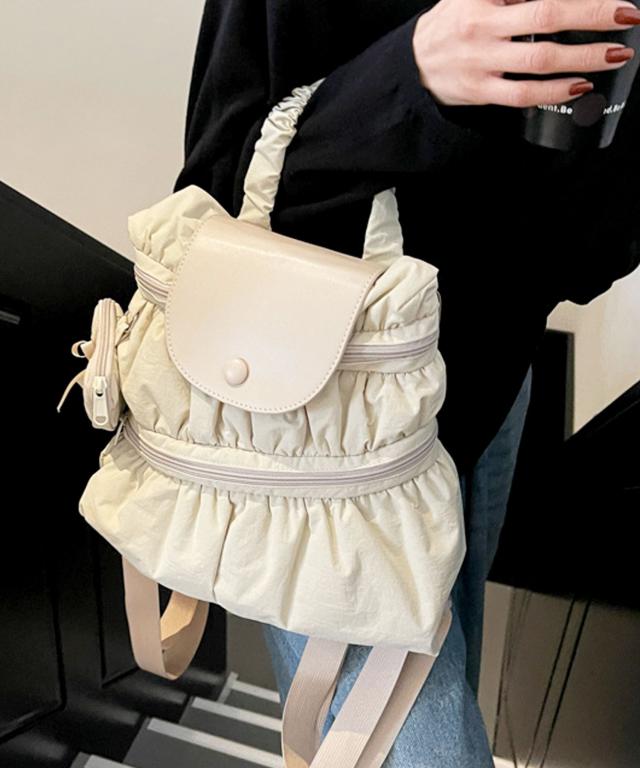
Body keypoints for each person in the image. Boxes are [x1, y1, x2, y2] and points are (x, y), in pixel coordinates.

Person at [172, 1, 640, 763]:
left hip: (488, 391)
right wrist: (410, 73)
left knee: (433, 683)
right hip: (317, 417)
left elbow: (585, 261)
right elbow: (221, 185)